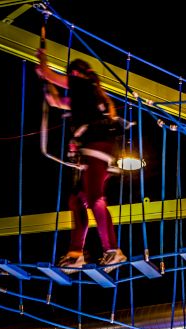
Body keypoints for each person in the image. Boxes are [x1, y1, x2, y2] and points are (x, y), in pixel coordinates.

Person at [35, 49, 127, 273]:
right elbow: (56, 101)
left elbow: (52, 77)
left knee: (95, 197)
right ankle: (76, 254)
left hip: (97, 148)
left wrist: (43, 62)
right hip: (93, 150)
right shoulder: (87, 96)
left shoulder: (84, 87)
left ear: (77, 73)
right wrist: (45, 80)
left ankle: (113, 249)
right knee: (77, 201)